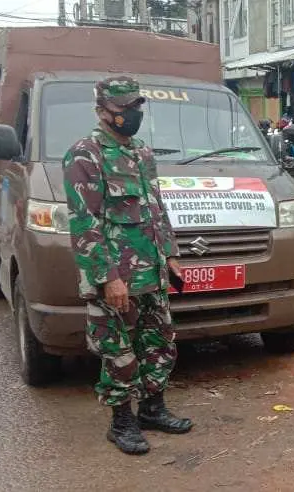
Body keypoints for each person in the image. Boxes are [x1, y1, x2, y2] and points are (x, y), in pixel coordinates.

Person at [62, 76, 192, 455]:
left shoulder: (142, 153)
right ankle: (121, 422)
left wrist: (171, 255)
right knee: (119, 352)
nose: (133, 114)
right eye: (124, 108)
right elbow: (85, 223)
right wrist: (108, 278)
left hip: (151, 270)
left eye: (137, 106)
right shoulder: (85, 154)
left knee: (159, 343)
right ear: (102, 111)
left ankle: (152, 409)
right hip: (115, 276)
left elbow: (155, 208)